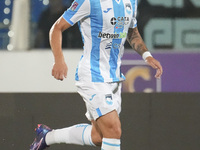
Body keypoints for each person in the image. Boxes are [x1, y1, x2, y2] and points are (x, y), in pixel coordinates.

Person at [30, 0, 163, 149]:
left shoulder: (131, 2)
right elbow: (57, 28)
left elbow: (132, 31)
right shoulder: (88, 2)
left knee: (99, 136)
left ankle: (47, 137)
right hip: (92, 74)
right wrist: (59, 60)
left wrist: (147, 56)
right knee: (113, 129)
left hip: (114, 78)